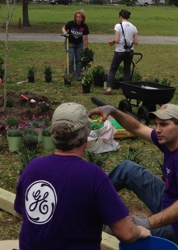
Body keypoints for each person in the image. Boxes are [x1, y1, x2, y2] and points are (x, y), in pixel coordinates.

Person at [14, 102, 150, 249]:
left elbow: (22, 212)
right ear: (86, 136)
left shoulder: (33, 167)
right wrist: (139, 231)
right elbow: (126, 233)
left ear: (54, 135)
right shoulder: (93, 176)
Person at [88, 103, 178, 250]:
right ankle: (87, 202)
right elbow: (137, 128)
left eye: (163, 124)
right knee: (127, 169)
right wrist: (114, 111)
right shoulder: (172, 141)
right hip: (171, 200)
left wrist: (146, 223)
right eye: (156, 124)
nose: (158, 130)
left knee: (116, 230)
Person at [104, 9, 138, 95]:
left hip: (120, 51)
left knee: (113, 69)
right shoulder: (133, 27)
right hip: (130, 51)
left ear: (121, 17)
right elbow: (136, 42)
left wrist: (112, 41)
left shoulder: (118, 26)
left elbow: (117, 39)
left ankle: (109, 88)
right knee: (127, 70)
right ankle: (126, 90)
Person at [61, 10, 90, 81]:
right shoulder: (71, 23)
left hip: (79, 44)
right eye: (77, 17)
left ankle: (78, 75)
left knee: (79, 60)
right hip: (70, 43)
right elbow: (63, 28)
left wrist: (86, 49)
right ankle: (70, 75)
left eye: (80, 17)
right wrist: (64, 32)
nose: (78, 18)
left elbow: (85, 38)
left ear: (82, 18)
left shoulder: (84, 26)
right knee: (70, 60)